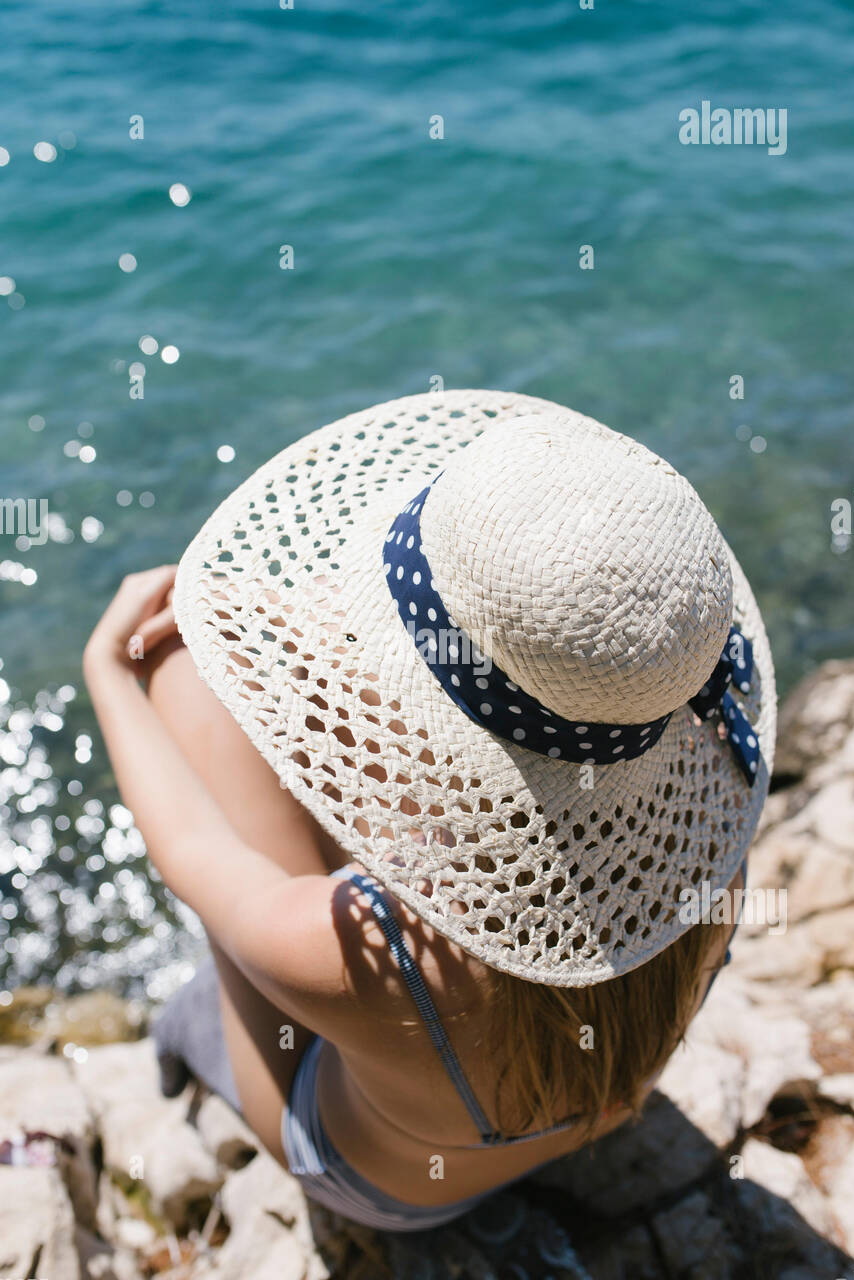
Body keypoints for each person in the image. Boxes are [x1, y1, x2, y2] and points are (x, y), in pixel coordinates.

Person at [83, 390, 774, 1233]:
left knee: (187, 675)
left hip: (387, 1186)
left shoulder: (374, 957)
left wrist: (111, 679)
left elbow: (193, 853)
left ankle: (189, 1041)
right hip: (572, 1104)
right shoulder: (716, 790)